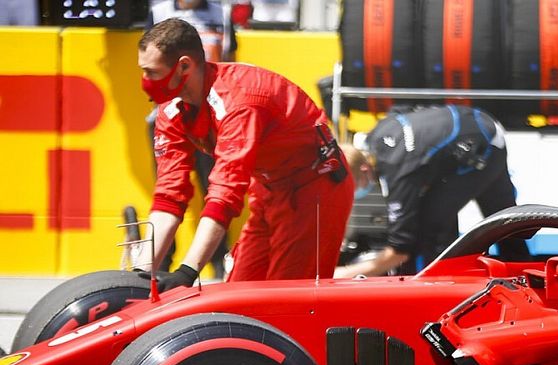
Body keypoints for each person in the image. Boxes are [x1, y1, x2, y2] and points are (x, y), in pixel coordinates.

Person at [137, 18, 353, 288]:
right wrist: (139, 273)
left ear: (184, 66)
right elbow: (170, 193)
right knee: (238, 295)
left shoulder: (239, 101)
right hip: (268, 189)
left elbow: (224, 193)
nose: (145, 81)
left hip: (315, 189)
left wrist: (187, 272)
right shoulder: (172, 109)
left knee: (284, 304)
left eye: (151, 72)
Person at [335, 105, 527, 278]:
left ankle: (429, 288)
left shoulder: (398, 170)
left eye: (354, 186)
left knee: (429, 228)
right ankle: (524, 270)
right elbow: (400, 110)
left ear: (364, 170)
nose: (355, 193)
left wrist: (346, 273)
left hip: (480, 143)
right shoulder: (374, 137)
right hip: (477, 122)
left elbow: (400, 250)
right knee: (504, 223)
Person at [146, 0, 236, 278]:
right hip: (170, 116)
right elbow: (150, 61)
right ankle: (156, 268)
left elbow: (228, 58)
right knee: (169, 189)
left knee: (217, 187)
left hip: (212, 116)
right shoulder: (158, 11)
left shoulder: (224, 11)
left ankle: (218, 264)